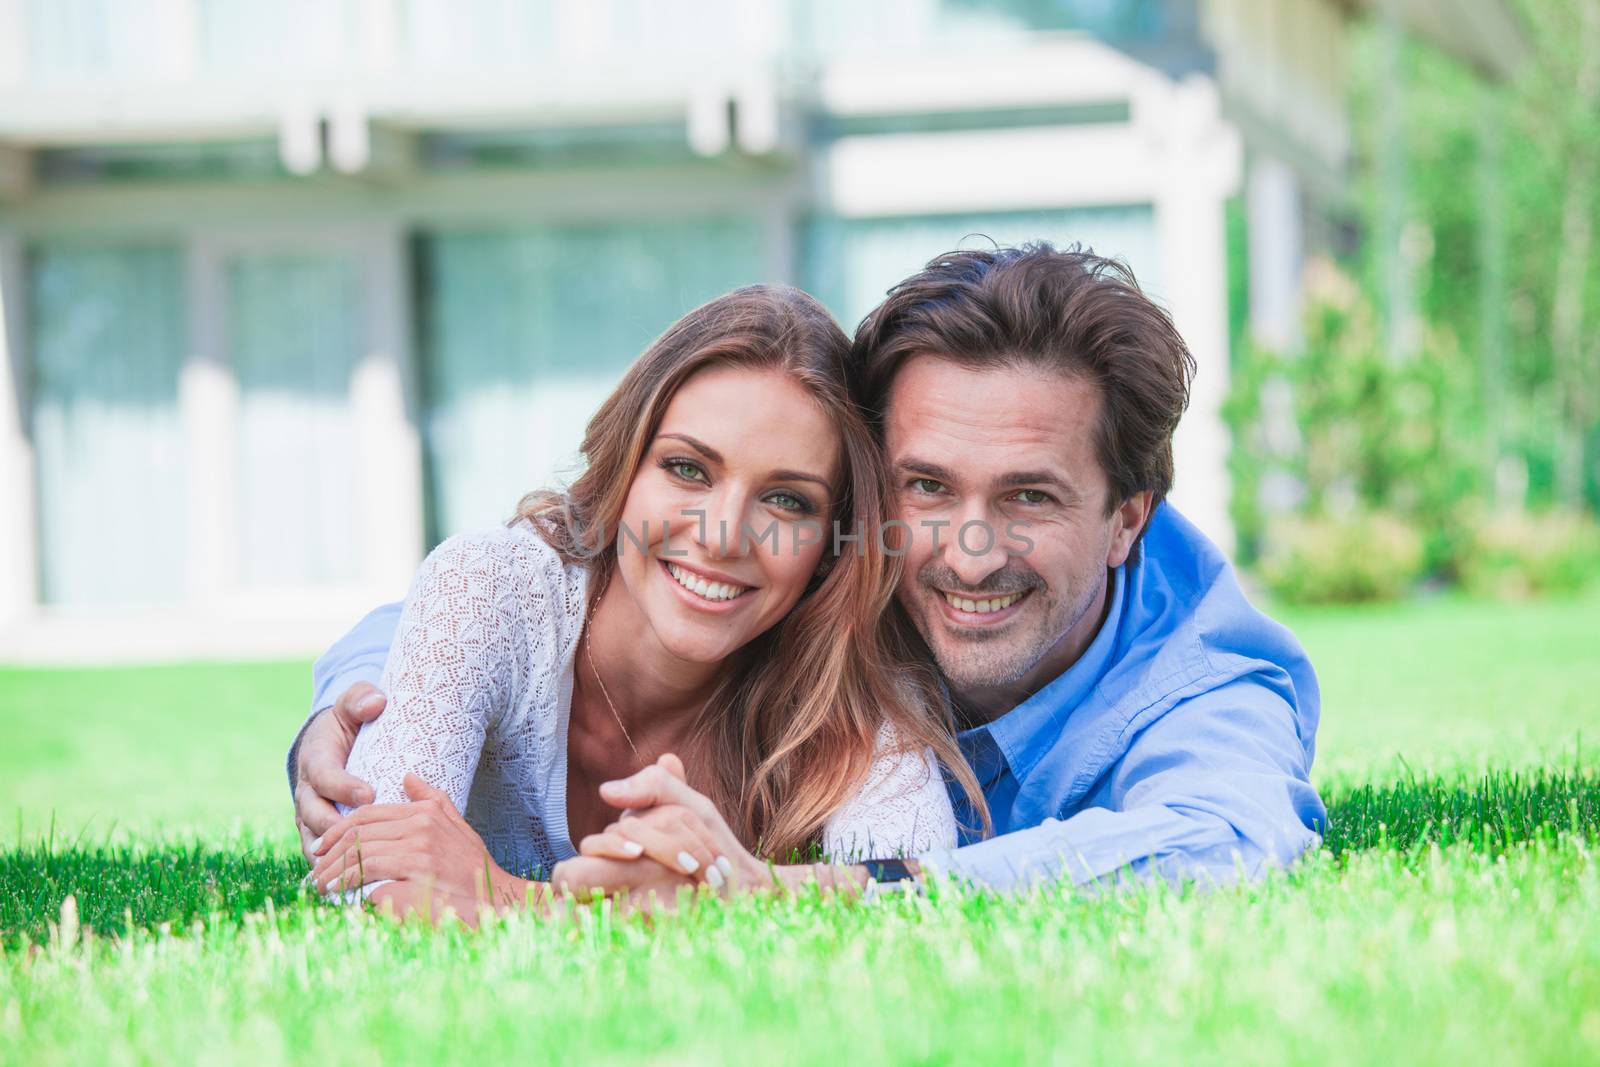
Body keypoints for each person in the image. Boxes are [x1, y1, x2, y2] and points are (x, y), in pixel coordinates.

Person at [293, 243, 1324, 903]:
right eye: (924, 485)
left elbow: (1227, 840)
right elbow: (490, 603)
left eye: (1029, 497)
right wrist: (355, 712)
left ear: (1124, 520)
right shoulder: (836, 591)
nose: (966, 551)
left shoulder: (1203, 678)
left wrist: (805, 893)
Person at [295, 284, 985, 919]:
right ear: (625, 466)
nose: (721, 536)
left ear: (831, 543)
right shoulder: (494, 586)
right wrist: (697, 912)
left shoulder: (851, 680)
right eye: (688, 468)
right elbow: (363, 874)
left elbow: (917, 904)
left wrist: (505, 895)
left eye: (786, 500)